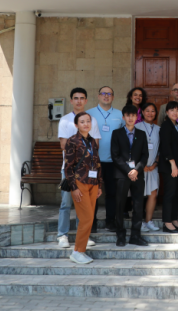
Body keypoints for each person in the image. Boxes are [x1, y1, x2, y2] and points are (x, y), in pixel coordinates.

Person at [58, 87, 101, 248]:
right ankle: (62, 235)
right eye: (76, 98)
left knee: (84, 205)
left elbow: (95, 145)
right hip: (71, 170)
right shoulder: (65, 120)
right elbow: (64, 145)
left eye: (82, 98)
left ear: (86, 101)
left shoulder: (92, 120)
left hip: (88, 172)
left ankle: (82, 235)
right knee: (66, 203)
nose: (79, 101)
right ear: (71, 101)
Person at [63, 112, 103, 264]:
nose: (86, 124)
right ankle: (77, 251)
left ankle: (82, 250)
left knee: (89, 218)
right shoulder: (72, 141)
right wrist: (74, 187)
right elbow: (68, 167)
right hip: (79, 183)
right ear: (76, 125)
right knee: (86, 218)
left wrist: (99, 184)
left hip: (93, 183)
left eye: (88, 121)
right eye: (82, 122)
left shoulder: (92, 141)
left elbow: (97, 163)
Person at [111, 105, 149, 247]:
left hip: (138, 175)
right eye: (128, 115)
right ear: (123, 117)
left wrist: (136, 170)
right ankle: (120, 235)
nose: (131, 118)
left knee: (138, 205)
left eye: (133, 115)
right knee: (120, 205)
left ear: (136, 117)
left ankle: (135, 236)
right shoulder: (117, 133)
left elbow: (145, 155)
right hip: (122, 174)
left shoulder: (142, 134)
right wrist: (128, 170)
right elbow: (115, 156)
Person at [87, 86, 124, 233]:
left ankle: (110, 222)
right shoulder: (89, 113)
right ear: (98, 96)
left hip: (113, 161)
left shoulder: (119, 115)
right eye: (103, 93)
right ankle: (92, 223)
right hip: (93, 161)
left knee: (112, 193)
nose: (106, 96)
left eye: (109, 94)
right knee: (93, 193)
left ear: (113, 97)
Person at [158, 101, 178, 233]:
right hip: (170, 166)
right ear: (167, 112)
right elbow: (166, 146)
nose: (175, 112)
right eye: (172, 110)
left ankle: (174, 219)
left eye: (177, 110)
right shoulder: (165, 125)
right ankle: (167, 222)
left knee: (176, 194)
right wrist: (173, 164)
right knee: (169, 194)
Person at [136, 103, 160, 233]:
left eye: (152, 111)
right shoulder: (136, 127)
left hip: (153, 168)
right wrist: (140, 166)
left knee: (153, 194)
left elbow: (161, 150)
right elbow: (132, 149)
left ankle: (148, 221)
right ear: (142, 113)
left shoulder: (159, 129)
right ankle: (139, 222)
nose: (150, 113)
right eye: (147, 111)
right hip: (140, 168)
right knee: (138, 195)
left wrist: (155, 164)